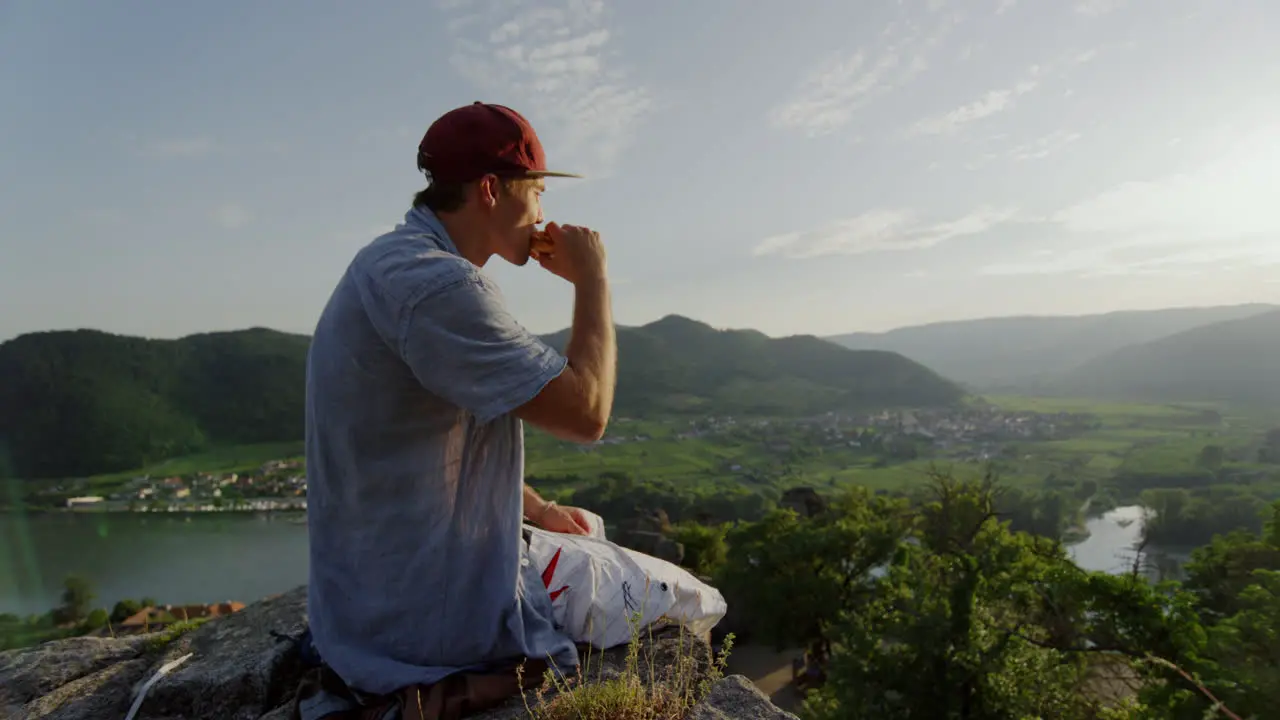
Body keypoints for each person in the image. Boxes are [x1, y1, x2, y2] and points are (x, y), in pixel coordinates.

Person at [301, 101, 618, 711]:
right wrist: (594, 281)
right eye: (540, 192)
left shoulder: (392, 262)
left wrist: (539, 508)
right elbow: (587, 414)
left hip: (365, 601)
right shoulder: (443, 286)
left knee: (585, 534)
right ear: (494, 190)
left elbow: (444, 443)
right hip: (420, 623)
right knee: (673, 598)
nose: (545, 212)